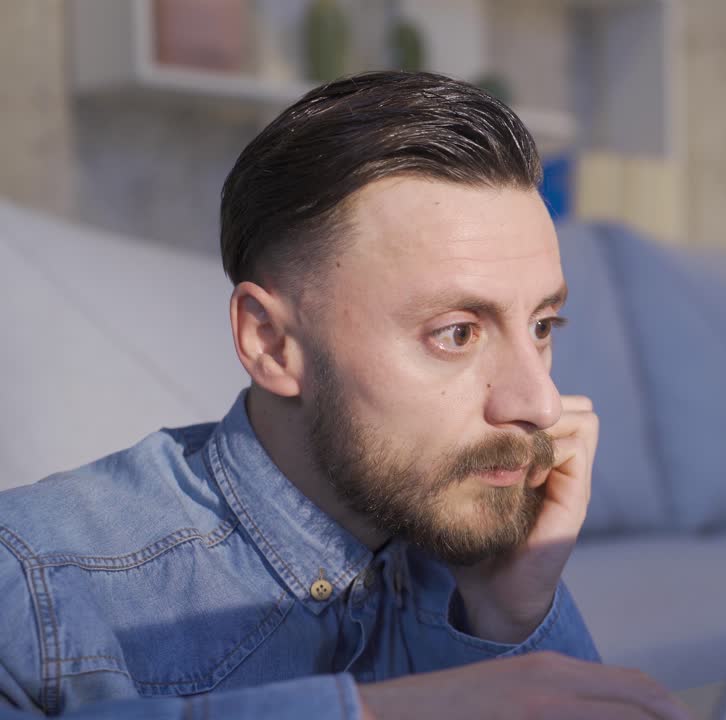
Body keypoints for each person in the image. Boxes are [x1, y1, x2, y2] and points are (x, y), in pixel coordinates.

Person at [0, 71, 690, 720]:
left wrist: (512, 615)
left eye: (542, 326)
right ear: (271, 343)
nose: (539, 403)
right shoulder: (34, 583)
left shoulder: (472, 564)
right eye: (455, 333)